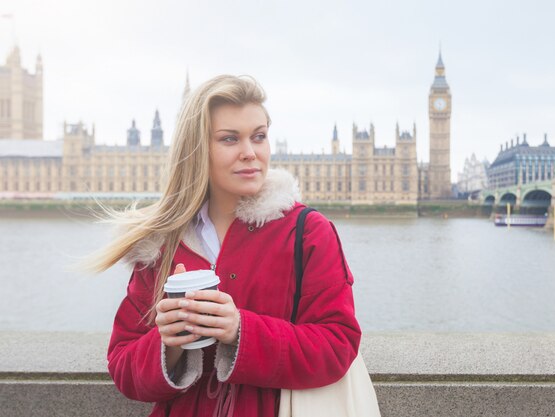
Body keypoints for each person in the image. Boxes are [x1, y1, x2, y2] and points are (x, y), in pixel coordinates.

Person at [90, 75, 361, 417]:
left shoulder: (308, 233)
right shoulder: (160, 244)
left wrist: (240, 330)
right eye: (230, 139)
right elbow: (124, 369)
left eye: (259, 137)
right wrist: (168, 343)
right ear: (198, 149)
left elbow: (338, 346)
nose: (250, 153)